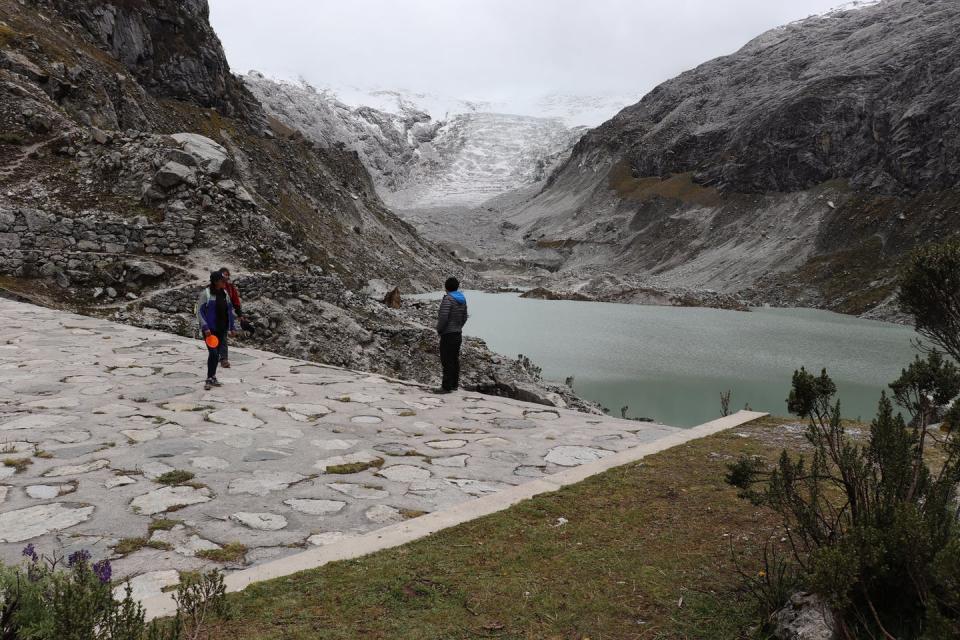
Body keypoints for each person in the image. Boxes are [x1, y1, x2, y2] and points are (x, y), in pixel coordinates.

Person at [196, 271, 236, 390]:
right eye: (223, 281)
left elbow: (229, 311)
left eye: (225, 281)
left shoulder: (225, 294)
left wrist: (232, 327)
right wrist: (205, 327)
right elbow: (200, 312)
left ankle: (212, 377)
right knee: (213, 353)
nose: (225, 283)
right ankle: (209, 378)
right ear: (216, 282)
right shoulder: (206, 294)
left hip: (221, 329)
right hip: (209, 330)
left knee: (216, 354)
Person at [435, 277, 468, 394]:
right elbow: (465, 317)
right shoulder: (462, 299)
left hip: (448, 334)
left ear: (446, 287)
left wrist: (439, 329)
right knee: (454, 359)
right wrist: (458, 327)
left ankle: (446, 387)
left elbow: (443, 317)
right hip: (457, 334)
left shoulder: (448, 299)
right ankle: (454, 385)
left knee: (446, 360)